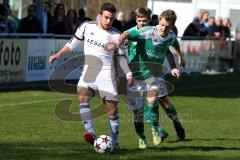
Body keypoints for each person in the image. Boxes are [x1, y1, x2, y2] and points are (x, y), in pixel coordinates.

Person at [49, 2, 133, 151]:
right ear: (100, 15)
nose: (108, 21)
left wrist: (127, 73)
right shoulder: (87, 26)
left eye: (111, 19)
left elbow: (121, 58)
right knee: (82, 96)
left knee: (112, 111)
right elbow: (72, 43)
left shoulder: (117, 36)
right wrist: (58, 54)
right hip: (90, 70)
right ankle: (91, 133)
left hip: (107, 73)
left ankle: (115, 142)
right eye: (106, 17)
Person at [106, 9, 185, 149]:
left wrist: (179, 57)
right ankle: (142, 137)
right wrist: (118, 44)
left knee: (153, 99)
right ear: (158, 22)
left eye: (167, 26)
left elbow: (173, 43)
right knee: (138, 115)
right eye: (161, 25)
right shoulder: (146, 32)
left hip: (154, 75)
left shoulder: (170, 35)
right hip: (135, 76)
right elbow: (125, 34)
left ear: (172, 26)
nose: (163, 28)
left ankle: (155, 128)